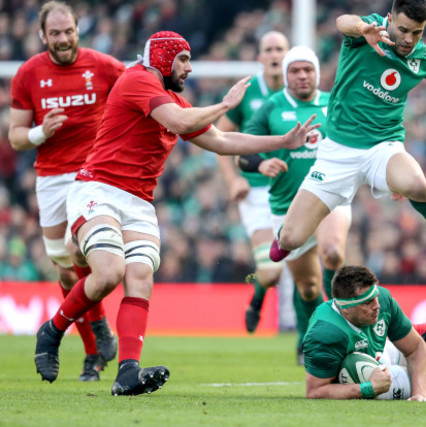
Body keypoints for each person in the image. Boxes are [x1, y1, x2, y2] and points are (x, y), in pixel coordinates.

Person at [33, 30, 320, 396]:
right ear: (163, 59)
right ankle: (53, 330)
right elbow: (183, 124)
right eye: (182, 59)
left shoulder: (174, 101)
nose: (188, 67)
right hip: (98, 189)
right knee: (109, 273)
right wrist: (226, 105)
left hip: (138, 201)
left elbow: (221, 141)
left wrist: (281, 141)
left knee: (140, 276)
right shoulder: (137, 79)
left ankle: (127, 373)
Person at [269, 0, 426, 266]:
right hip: (337, 153)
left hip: (383, 147)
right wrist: (363, 29)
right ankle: (283, 234)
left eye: (417, 32)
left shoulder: (423, 58)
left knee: (416, 184)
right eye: (404, 30)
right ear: (390, 19)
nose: (409, 39)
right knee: (290, 240)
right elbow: (342, 21)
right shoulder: (369, 32)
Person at [8, 1, 123, 381]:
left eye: (68, 31)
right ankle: (94, 347)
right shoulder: (28, 74)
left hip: (92, 175)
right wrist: (42, 132)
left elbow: (137, 95)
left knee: (78, 250)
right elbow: (16, 137)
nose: (62, 39)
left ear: (78, 30)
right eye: (54, 33)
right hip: (51, 179)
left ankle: (89, 341)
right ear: (43, 36)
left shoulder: (104, 66)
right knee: (66, 269)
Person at [239, 46, 349, 364]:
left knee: (332, 252)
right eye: (295, 71)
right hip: (286, 205)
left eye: (308, 70)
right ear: (286, 75)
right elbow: (244, 150)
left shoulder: (335, 103)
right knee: (308, 285)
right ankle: (308, 338)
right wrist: (260, 165)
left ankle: (340, 329)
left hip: (331, 197)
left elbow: (364, 142)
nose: (302, 76)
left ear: (317, 72)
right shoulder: (272, 107)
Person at [214, 32, 296, 334]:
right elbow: (219, 139)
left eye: (280, 49)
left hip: (293, 190)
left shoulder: (300, 92)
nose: (274, 55)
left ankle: (296, 329)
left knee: (298, 264)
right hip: (256, 190)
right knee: (272, 269)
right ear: (260, 58)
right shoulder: (247, 94)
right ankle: (259, 299)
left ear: (288, 56)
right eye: (268, 49)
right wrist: (233, 180)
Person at [302, 265, 426, 400]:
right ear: (346, 308)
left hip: (379, 355)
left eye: (376, 296)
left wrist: (420, 394)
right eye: (368, 302)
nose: (377, 306)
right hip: (360, 377)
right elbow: (315, 391)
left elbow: (416, 348)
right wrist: (368, 388)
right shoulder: (325, 332)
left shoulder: (384, 300)